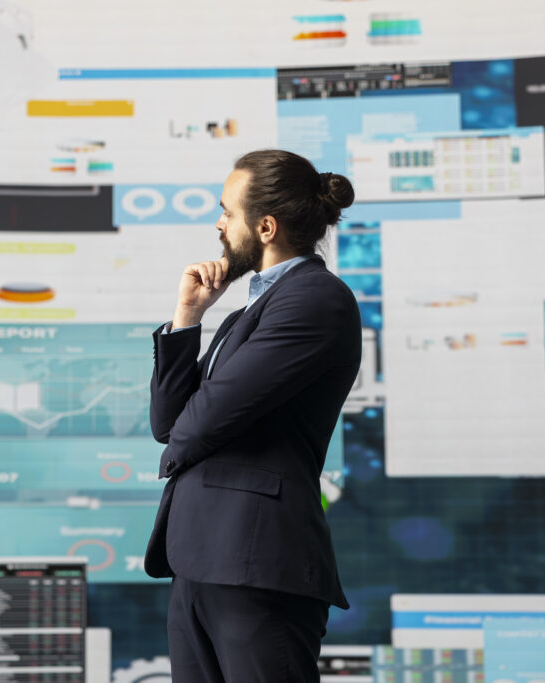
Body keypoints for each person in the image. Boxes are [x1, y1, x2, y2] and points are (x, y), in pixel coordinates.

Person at [144, 149, 361, 682]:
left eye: (227, 212)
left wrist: (188, 427)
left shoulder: (314, 299)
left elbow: (198, 425)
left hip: (257, 563)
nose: (219, 226)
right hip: (202, 560)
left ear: (265, 227)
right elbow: (168, 424)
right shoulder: (245, 315)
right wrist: (188, 317)